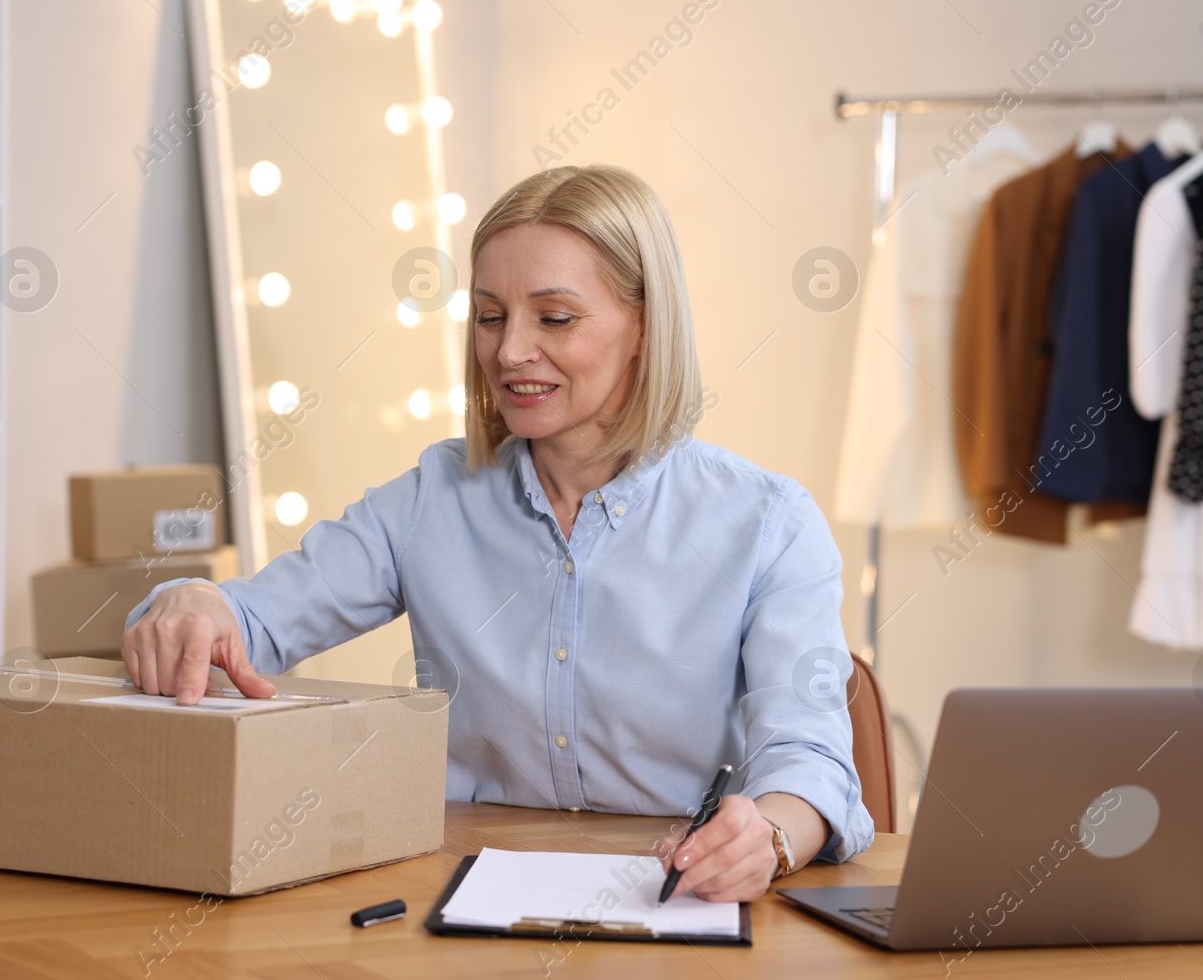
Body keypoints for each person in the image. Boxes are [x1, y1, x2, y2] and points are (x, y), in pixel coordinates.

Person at [123, 164, 875, 902]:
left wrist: (767, 836)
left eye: (554, 317)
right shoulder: (433, 498)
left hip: (671, 907)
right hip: (456, 898)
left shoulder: (768, 523)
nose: (509, 350)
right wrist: (193, 604)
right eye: (490, 315)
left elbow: (807, 762)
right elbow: (249, 621)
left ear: (646, 325)